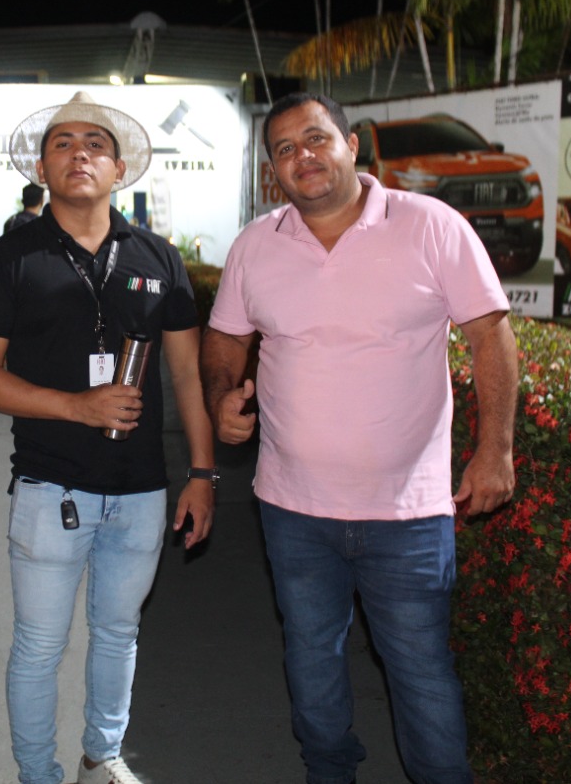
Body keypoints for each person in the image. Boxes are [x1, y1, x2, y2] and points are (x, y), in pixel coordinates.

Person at [201, 93, 518, 784]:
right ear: (273, 171)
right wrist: (221, 396)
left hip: (408, 514)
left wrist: (495, 448)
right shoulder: (256, 245)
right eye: (285, 149)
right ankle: (328, 774)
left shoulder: (431, 225)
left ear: (351, 145)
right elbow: (224, 337)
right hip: (292, 508)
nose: (303, 156)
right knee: (311, 659)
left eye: (316, 138)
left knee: (420, 669)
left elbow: (490, 334)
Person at [0, 92, 216, 784]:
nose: (81, 154)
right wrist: (75, 406)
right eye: (63, 143)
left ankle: (102, 758)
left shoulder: (159, 257)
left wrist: (202, 474)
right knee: (40, 647)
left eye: (96, 144)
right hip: (50, 488)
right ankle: (37, 775)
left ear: (120, 168)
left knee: (119, 634)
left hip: (142, 491)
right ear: (42, 168)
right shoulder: (7, 259)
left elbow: (187, 377)